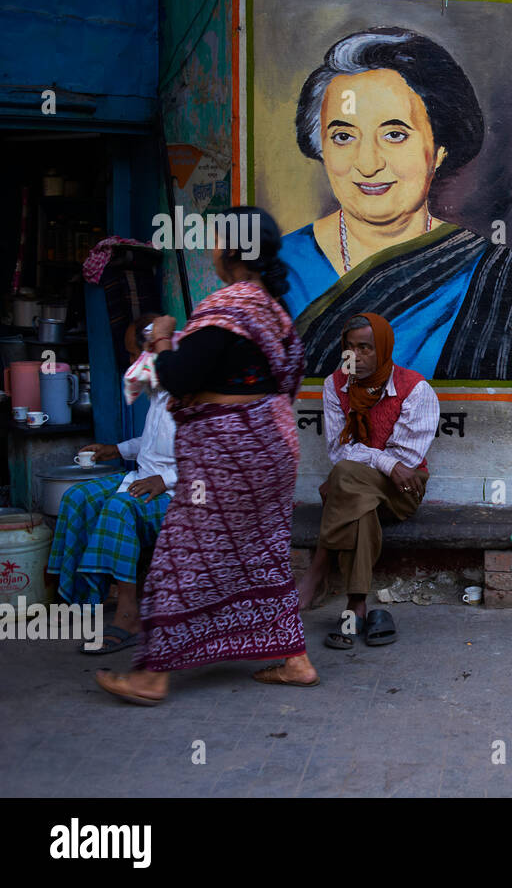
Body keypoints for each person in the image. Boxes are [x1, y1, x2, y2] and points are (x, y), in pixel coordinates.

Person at [95, 207, 318, 705]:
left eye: (217, 240)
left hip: (229, 451)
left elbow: (177, 377)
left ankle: (152, 675)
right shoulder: (272, 308)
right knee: (263, 552)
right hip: (271, 445)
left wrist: (160, 337)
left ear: (233, 250)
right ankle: (295, 659)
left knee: (181, 553)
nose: (212, 248)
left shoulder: (229, 307)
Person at [280, 26, 512, 383]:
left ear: (438, 149)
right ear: (321, 148)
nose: (368, 163)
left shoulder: (494, 274)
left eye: (395, 135)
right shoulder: (279, 267)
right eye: (343, 137)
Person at [296, 312, 439, 649]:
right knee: (353, 493)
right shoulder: (335, 386)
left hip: (403, 490)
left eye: (365, 348)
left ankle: (318, 571)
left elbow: (405, 462)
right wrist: (381, 461)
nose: (355, 356)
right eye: (349, 348)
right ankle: (356, 604)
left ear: (384, 349)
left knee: (343, 481)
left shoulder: (415, 389)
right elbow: (337, 450)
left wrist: (374, 464)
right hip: (359, 489)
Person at [48, 314, 176, 655]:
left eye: (137, 354)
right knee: (78, 497)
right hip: (142, 476)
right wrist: (115, 449)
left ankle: (128, 613)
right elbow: (153, 442)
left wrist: (165, 480)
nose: (133, 364)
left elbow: (212, 454)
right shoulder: (158, 389)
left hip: (180, 490)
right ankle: (81, 600)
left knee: (120, 507)